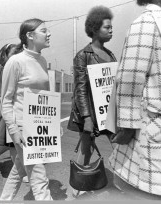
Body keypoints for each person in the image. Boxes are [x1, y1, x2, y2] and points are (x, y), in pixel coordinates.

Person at [108, 0, 161, 198]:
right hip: (150, 129)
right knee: (141, 190)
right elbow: (130, 79)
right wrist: (127, 128)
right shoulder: (148, 23)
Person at [0, 18, 55, 200]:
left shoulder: (42, 60)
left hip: (40, 126)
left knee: (19, 169)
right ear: (30, 36)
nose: (49, 34)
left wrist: (53, 124)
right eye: (44, 31)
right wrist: (13, 130)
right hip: (23, 129)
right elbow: (5, 101)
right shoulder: (15, 62)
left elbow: (44, 97)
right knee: (39, 178)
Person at [66, 6, 116, 199]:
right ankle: (75, 191)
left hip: (108, 112)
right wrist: (87, 117)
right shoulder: (83, 55)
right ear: (95, 29)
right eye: (107, 27)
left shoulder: (110, 55)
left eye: (111, 27)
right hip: (89, 114)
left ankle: (122, 181)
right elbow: (80, 89)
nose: (111, 30)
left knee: (119, 146)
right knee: (86, 150)